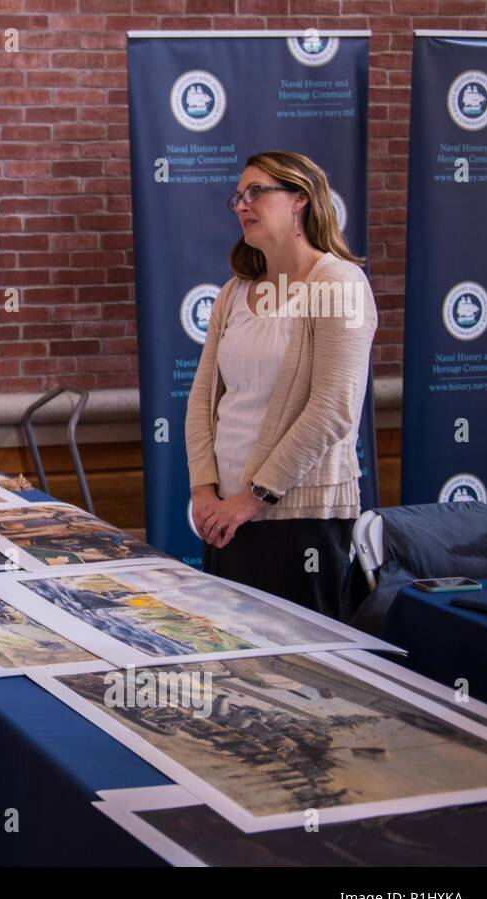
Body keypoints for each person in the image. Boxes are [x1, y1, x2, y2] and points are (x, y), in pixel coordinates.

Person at [185, 150, 378, 617]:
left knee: (303, 680)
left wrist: (252, 500)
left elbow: (333, 408)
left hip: (299, 522)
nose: (241, 205)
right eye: (237, 197)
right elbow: (202, 398)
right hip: (225, 518)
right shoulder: (234, 291)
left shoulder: (340, 284)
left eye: (256, 192)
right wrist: (205, 493)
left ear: (300, 200)